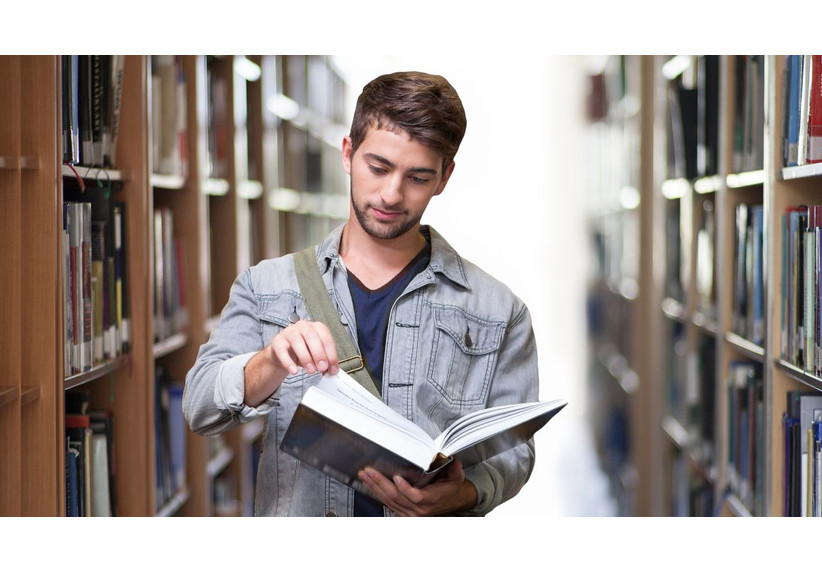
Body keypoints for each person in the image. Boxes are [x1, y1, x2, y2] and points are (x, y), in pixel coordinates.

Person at [183, 70, 540, 517]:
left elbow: (515, 454)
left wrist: (463, 494)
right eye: (379, 167)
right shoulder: (267, 286)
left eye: (418, 177)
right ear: (348, 153)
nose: (391, 194)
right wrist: (269, 361)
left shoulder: (500, 311)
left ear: (444, 178)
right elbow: (199, 407)